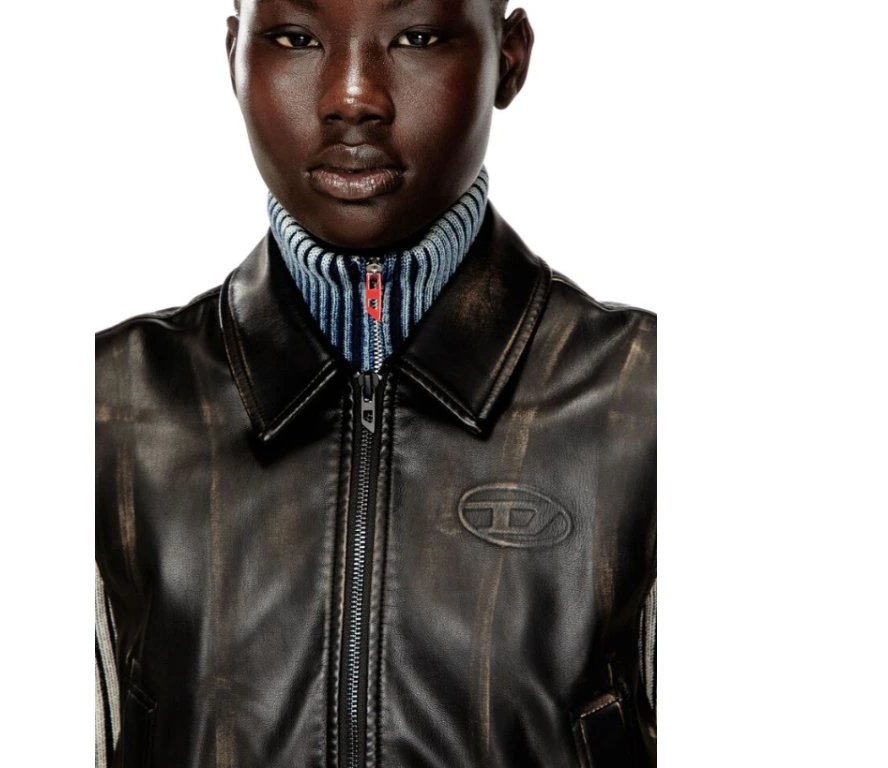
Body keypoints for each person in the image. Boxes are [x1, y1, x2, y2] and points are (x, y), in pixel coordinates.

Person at [95, 0, 656, 766]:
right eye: (295, 37)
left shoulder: (647, 402)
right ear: (235, 56)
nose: (352, 95)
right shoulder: (112, 408)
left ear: (510, 58)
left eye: (416, 36)